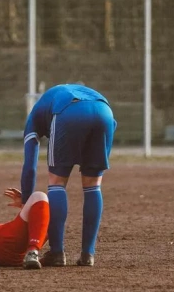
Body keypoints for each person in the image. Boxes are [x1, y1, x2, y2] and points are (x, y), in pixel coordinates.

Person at [19, 84, 116, 267]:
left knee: (56, 182)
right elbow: (113, 124)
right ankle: (88, 254)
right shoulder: (60, 94)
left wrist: (26, 199)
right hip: (105, 112)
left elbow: (30, 165)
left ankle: (57, 253)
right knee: (93, 184)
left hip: (68, 111)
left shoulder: (33, 118)